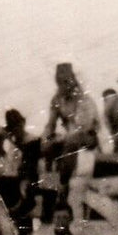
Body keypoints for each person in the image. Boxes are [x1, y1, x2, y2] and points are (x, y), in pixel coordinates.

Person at [41, 62, 102, 212]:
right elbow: (51, 123)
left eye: (67, 81)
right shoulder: (57, 99)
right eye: (60, 82)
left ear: (73, 80)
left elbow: (83, 127)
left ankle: (63, 186)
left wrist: (61, 138)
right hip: (70, 135)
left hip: (88, 136)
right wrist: (46, 138)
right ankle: (48, 196)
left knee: (70, 142)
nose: (64, 85)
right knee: (45, 146)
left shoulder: (83, 98)